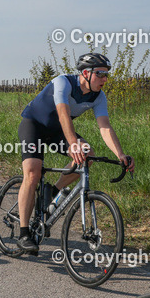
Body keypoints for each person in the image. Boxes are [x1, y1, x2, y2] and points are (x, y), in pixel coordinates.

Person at [15, 52, 133, 255]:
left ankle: (53, 191)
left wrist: (121, 155)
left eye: (106, 74)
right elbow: (63, 113)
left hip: (57, 131)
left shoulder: (98, 96)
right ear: (86, 73)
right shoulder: (63, 82)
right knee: (33, 172)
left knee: (88, 154)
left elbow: (105, 127)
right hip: (34, 125)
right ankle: (24, 234)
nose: (105, 79)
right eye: (100, 74)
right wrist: (72, 144)